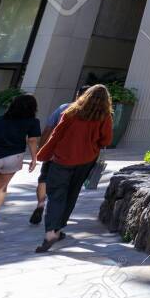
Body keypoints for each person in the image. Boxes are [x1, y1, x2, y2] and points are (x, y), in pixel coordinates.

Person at [35, 85, 112, 252]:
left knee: (56, 194)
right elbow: (106, 140)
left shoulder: (71, 111)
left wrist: (43, 153)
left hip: (61, 159)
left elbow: (56, 134)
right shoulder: (104, 116)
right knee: (72, 193)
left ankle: (50, 232)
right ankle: (59, 228)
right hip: (86, 160)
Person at [0, 93, 41, 230]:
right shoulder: (33, 122)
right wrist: (34, 158)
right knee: (1, 188)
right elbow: (32, 140)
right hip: (14, 157)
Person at [30, 86, 88, 226]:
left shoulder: (64, 108)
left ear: (77, 94)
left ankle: (40, 204)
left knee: (44, 177)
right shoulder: (93, 113)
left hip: (55, 150)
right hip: (77, 156)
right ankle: (58, 220)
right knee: (66, 187)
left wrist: (41, 149)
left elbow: (49, 128)